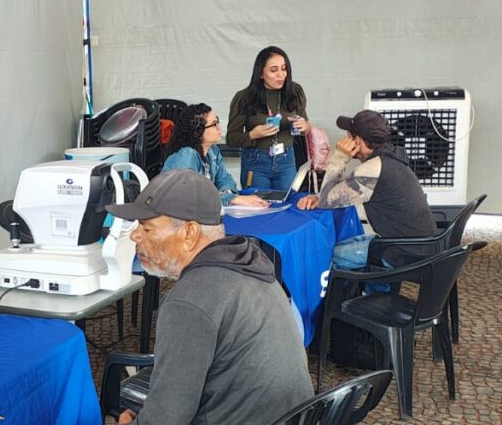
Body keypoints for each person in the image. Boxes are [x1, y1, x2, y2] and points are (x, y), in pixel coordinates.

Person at [56, 169, 313, 425]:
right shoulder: (256, 267)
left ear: (190, 232)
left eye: (147, 227)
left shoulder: (191, 300)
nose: (135, 237)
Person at [297, 109, 437, 267]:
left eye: (349, 135)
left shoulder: (372, 169)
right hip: (420, 246)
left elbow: (325, 201)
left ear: (358, 141)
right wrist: (320, 197)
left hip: (403, 254)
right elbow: (334, 195)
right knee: (338, 245)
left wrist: (339, 158)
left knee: (324, 256)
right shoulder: (391, 158)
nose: (345, 139)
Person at [226, 47, 310, 191]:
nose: (281, 75)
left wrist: (305, 126)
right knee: (258, 202)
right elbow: (231, 138)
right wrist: (253, 134)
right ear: (260, 73)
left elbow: (306, 126)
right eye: (273, 70)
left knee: (287, 202)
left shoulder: (295, 92)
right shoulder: (244, 98)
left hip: (286, 160)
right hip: (256, 161)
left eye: (284, 69)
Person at [162, 103, 267, 208]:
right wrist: (230, 199)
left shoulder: (212, 150)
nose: (219, 128)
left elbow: (225, 180)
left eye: (218, 122)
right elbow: (188, 198)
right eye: (214, 124)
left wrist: (229, 197)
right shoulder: (186, 155)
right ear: (198, 131)